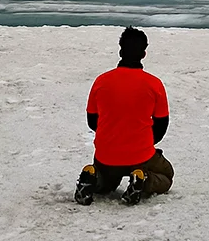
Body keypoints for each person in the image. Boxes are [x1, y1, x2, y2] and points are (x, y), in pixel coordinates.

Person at [74, 26, 174, 206]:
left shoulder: (101, 81)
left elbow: (92, 121)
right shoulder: (154, 84)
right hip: (141, 153)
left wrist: (114, 134)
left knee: (107, 184)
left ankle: (94, 176)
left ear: (120, 51)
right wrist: (144, 143)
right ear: (144, 54)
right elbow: (161, 125)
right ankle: (142, 180)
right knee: (166, 175)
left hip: (106, 154)